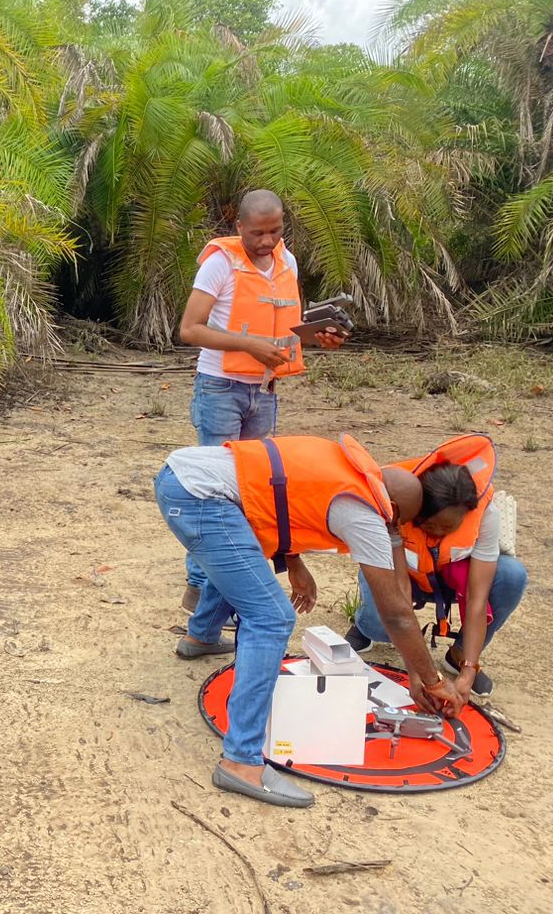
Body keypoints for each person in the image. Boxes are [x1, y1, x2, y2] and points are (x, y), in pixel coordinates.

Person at [154, 433, 469, 808]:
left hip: (187, 475)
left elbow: (275, 495)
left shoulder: (350, 468)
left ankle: (201, 637)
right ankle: (240, 762)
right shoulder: (365, 511)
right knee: (271, 617)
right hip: (200, 497)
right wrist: (432, 681)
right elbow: (397, 613)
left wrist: (293, 563)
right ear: (395, 511)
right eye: (414, 526)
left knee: (243, 575)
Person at [175, 190, 347, 614]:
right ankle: (199, 593)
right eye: (258, 233)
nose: (267, 241)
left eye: (275, 231)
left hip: (265, 390)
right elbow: (190, 329)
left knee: (256, 490)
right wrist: (248, 344)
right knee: (213, 490)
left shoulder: (286, 263)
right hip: (220, 387)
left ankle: (229, 590)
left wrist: (320, 337)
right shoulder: (221, 263)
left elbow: (288, 327)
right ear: (239, 228)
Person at [346, 434, 526, 702]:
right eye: (430, 526)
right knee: (381, 626)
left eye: (448, 528)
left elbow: (477, 601)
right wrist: (416, 671)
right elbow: (400, 590)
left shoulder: (485, 514)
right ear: (416, 510)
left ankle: (458, 654)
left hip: (452, 580)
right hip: (403, 574)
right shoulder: (398, 503)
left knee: (512, 575)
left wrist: (468, 670)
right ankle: (364, 626)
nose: (438, 533)